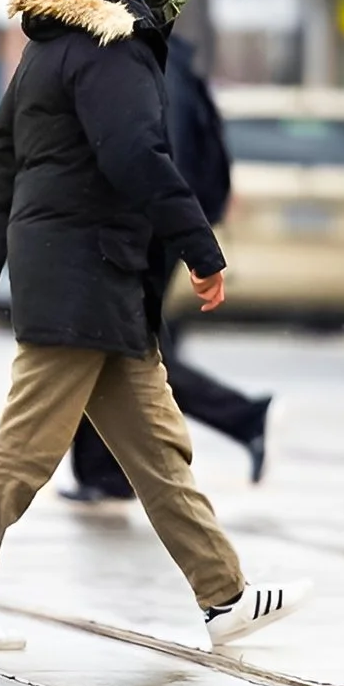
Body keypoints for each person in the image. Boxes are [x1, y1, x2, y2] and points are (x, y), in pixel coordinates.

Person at [0, 0, 311, 652]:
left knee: (158, 448)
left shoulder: (63, 40)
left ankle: (225, 597)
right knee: (26, 449)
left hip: (96, 271)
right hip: (81, 271)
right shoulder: (112, 46)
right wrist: (202, 247)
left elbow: (3, 146)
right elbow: (136, 158)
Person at [64, 30, 273, 503]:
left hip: (149, 228)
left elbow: (156, 156)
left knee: (127, 347)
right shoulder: (169, 60)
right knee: (122, 344)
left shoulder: (150, 63)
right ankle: (106, 473)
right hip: (159, 225)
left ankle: (241, 416)